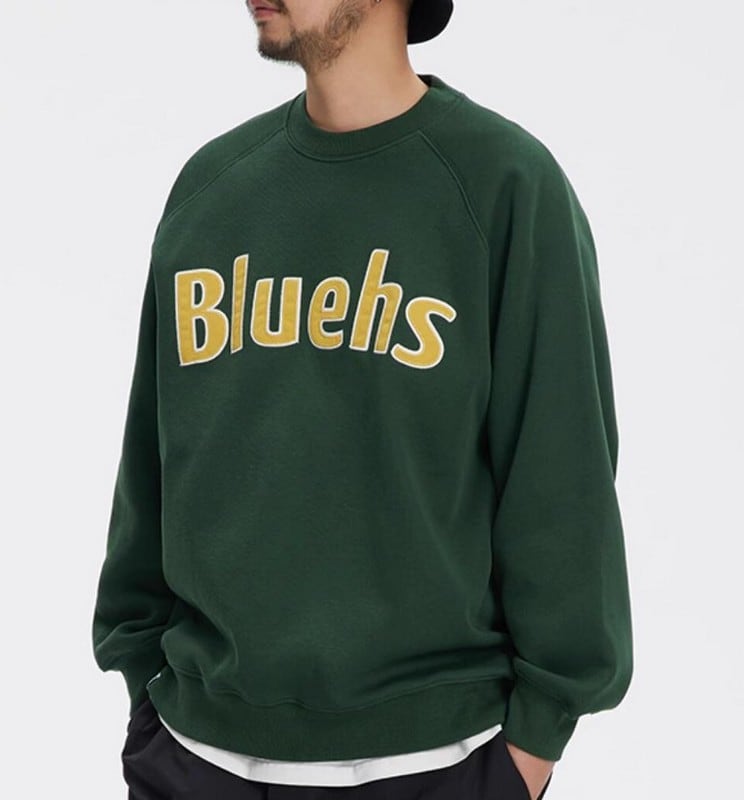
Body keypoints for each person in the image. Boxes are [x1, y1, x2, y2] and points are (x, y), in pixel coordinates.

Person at [91, 1, 635, 798]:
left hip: (431, 762)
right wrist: (140, 676)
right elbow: (153, 456)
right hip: (194, 755)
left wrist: (536, 738)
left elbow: (561, 477)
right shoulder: (214, 187)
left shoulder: (504, 185)